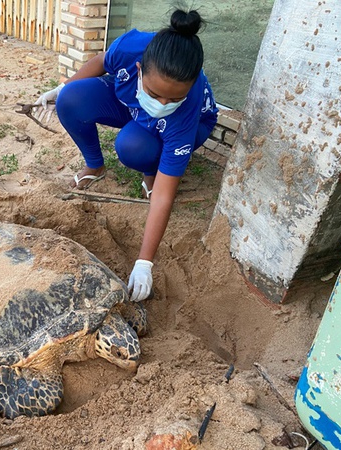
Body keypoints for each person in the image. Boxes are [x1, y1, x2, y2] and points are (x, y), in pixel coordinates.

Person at [34, 8, 218, 302]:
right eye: (156, 93)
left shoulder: (184, 111)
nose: (163, 103)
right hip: (132, 104)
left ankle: (149, 171)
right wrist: (61, 88)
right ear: (139, 69)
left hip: (184, 126)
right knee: (72, 99)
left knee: (133, 147)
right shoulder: (131, 48)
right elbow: (99, 62)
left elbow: (164, 196)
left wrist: (144, 263)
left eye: (173, 98)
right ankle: (95, 166)